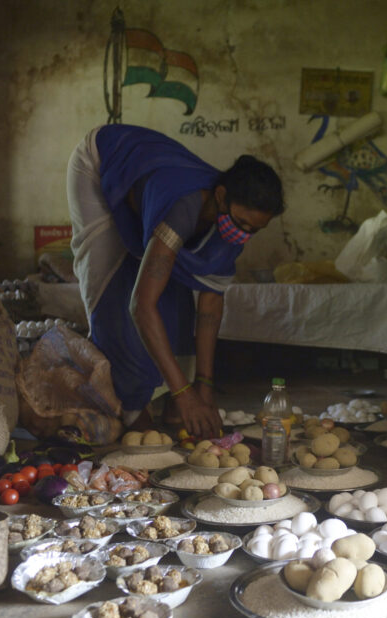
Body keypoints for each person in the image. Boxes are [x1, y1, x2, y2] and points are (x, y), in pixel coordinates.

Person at [66, 124, 284, 440]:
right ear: (221, 197)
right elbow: (141, 306)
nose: (244, 235)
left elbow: (209, 305)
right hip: (102, 164)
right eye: (241, 224)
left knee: (172, 294)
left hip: (148, 173)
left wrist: (204, 385)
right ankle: (130, 405)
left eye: (255, 229)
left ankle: (168, 399)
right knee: (112, 285)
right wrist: (185, 392)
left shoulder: (232, 223)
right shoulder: (182, 207)